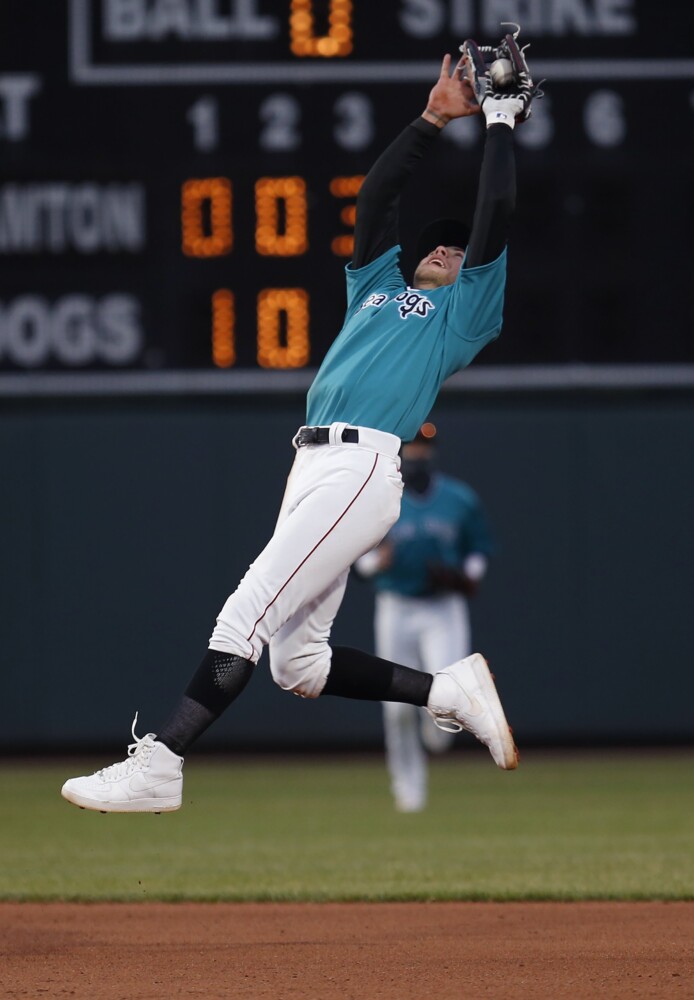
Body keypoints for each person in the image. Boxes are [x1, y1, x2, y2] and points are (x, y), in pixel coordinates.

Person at [62, 31, 538, 813]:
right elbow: (376, 199)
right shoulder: (376, 288)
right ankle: (447, 690)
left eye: (459, 253)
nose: (448, 252)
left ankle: (162, 762)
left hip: (361, 465)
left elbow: (496, 212)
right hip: (312, 464)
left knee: (244, 610)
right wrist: (430, 119)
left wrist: (497, 123)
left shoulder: (463, 315)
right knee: (298, 664)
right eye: (439, 246)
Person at [355, 422, 494, 812]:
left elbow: (479, 548)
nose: (417, 452)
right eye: (412, 445)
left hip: (442, 607)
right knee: (396, 707)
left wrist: (469, 575)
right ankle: (408, 788)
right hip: (396, 606)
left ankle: (438, 735)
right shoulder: (380, 497)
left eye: (423, 445)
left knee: (448, 698)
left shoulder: (458, 498)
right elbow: (358, 558)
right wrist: (375, 563)